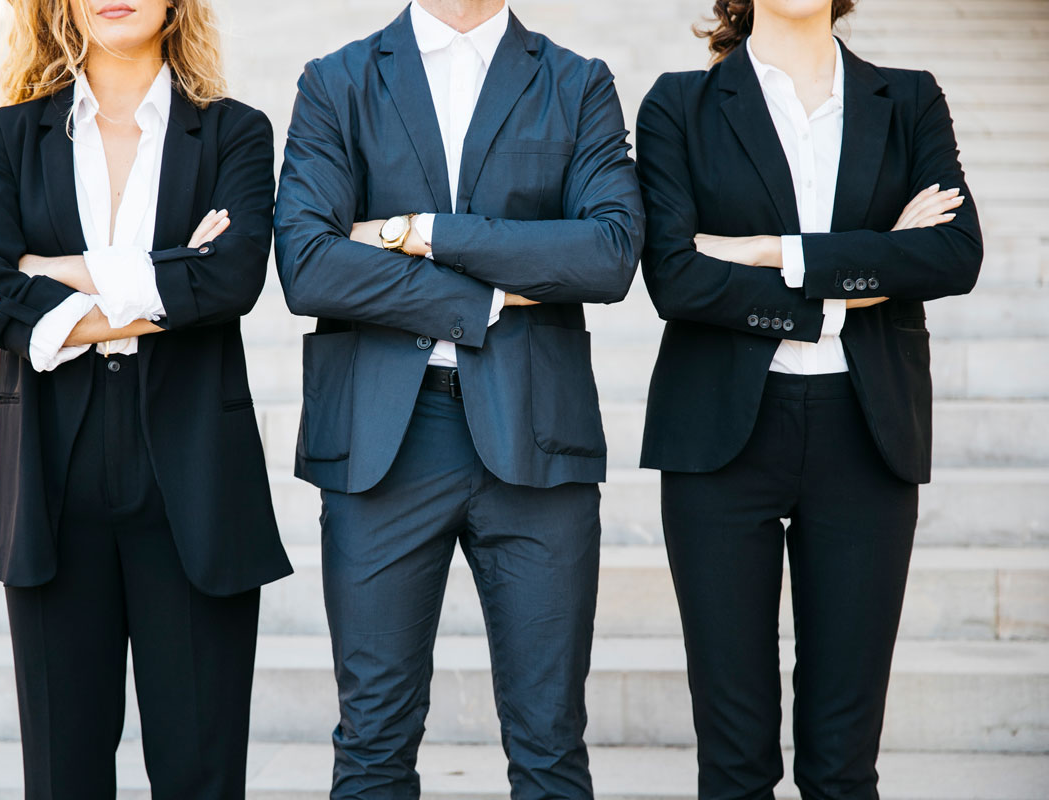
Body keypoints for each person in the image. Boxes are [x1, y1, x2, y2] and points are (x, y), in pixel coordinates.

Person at [273, 0, 644, 796]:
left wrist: (423, 231)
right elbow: (309, 265)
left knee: (550, 742)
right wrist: (485, 298)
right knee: (372, 741)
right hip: (383, 442)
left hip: (537, 439)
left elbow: (608, 254)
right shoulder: (336, 82)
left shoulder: (578, 83)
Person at [635, 0, 983, 797]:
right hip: (719, 440)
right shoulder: (676, 104)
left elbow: (954, 254)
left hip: (867, 434)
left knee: (843, 762)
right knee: (733, 759)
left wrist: (768, 251)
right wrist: (864, 269)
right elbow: (676, 276)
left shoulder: (910, 98)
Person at [0, 1, 292, 796]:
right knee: (63, 777)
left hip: (195, 485)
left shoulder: (236, 131)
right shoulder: (10, 135)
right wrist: (166, 269)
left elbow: (233, 278)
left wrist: (53, 270)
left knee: (200, 775)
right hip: (52, 484)